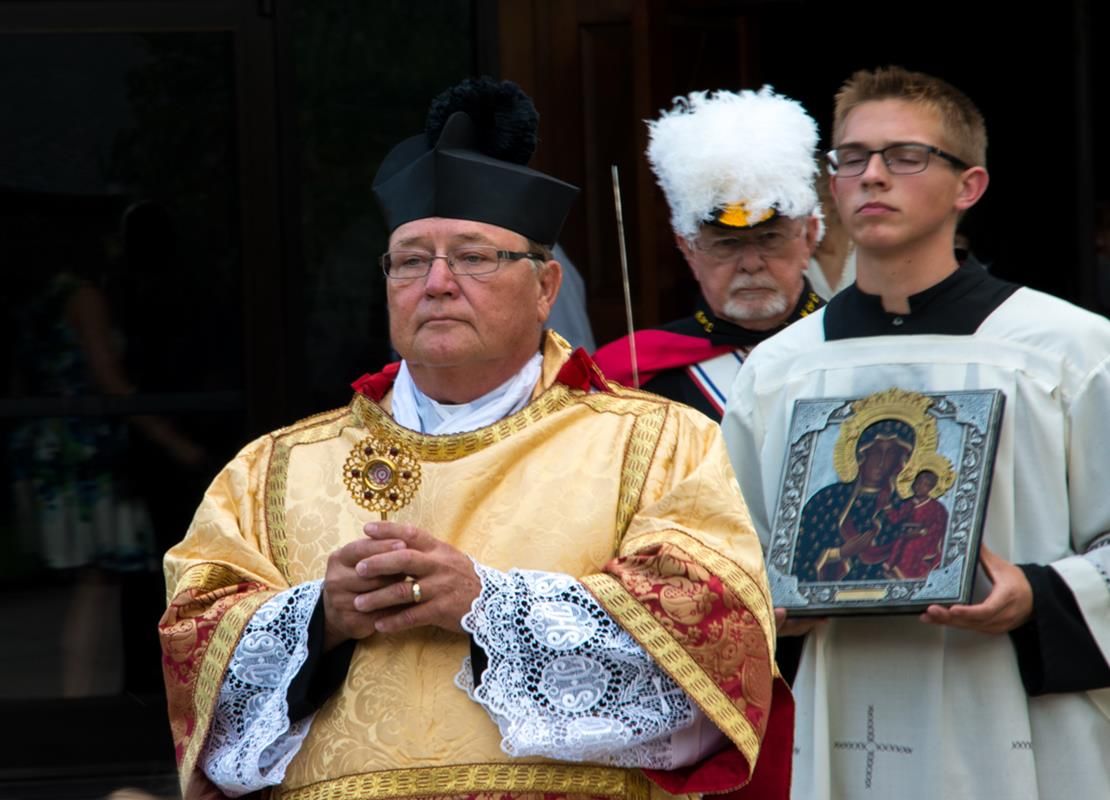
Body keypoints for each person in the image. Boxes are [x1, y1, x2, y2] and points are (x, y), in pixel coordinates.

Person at [159, 77, 790, 800]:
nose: (437, 282)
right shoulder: (270, 470)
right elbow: (193, 646)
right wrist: (318, 619)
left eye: (474, 256)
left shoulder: (660, 446)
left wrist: (487, 604)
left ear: (546, 287)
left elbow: (718, 643)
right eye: (410, 260)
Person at [723, 65, 1110, 799]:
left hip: (1011, 715)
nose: (871, 176)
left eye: (904, 156)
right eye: (851, 158)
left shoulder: (1069, 351)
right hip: (836, 708)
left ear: (969, 186)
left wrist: (1041, 594)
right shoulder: (780, 370)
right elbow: (731, 551)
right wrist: (763, 606)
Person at [593, 87, 823, 420]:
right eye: (726, 243)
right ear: (688, 249)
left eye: (769, 238)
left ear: (810, 236)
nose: (750, 264)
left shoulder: (855, 350)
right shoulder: (628, 377)